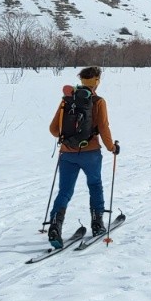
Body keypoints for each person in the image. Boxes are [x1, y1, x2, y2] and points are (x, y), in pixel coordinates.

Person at [46, 65, 118, 248]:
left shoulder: (67, 100)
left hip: (67, 154)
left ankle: (55, 225)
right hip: (91, 153)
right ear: (96, 82)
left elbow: (54, 130)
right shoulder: (99, 101)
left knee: (64, 191)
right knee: (95, 185)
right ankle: (97, 223)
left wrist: (69, 138)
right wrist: (112, 147)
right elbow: (103, 127)